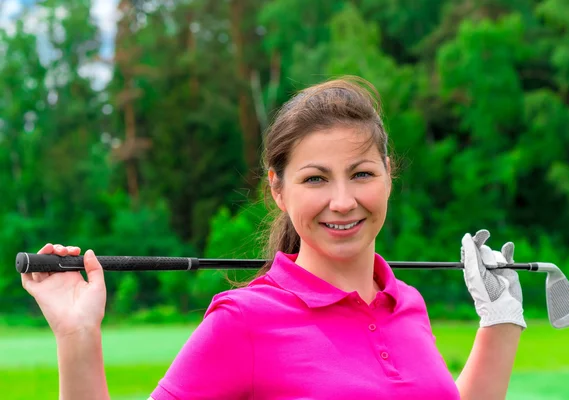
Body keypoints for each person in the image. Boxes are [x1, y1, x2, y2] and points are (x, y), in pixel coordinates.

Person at [22, 76, 525, 400]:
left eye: (363, 174)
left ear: (390, 176)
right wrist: (77, 335)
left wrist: (499, 326)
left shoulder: (407, 304)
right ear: (278, 190)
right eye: (315, 178)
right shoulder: (243, 321)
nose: (344, 200)